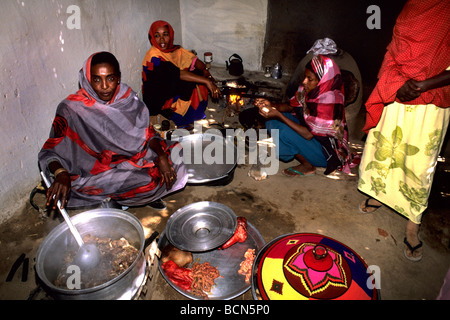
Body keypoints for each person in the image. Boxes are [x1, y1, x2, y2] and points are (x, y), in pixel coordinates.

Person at [358, 0, 450, 262]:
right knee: (384, 148)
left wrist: (423, 84)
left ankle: (413, 224)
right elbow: (397, 48)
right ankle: (378, 194)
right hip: (398, 89)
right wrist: (396, 81)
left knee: (419, 163)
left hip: (432, 95)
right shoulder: (415, 5)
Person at [38, 51, 188, 211]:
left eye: (110, 78)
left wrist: (162, 157)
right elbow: (50, 152)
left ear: (118, 77)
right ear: (87, 79)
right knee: (148, 182)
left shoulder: (126, 98)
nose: (104, 86)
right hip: (97, 173)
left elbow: (148, 134)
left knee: (179, 155)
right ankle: (118, 199)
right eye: (96, 79)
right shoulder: (72, 109)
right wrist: (61, 173)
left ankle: (119, 198)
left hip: (133, 160)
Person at [254, 54, 351, 176]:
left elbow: (308, 135)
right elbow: (291, 106)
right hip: (311, 135)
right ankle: (302, 158)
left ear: (322, 80)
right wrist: (271, 105)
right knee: (271, 122)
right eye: (305, 77)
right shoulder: (307, 90)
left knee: (282, 130)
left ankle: (307, 164)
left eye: (310, 79)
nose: (304, 82)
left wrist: (279, 115)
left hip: (326, 153)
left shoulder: (329, 100)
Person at [142, 20, 220, 128]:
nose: (162, 39)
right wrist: (207, 81)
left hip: (171, 83)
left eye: (165, 34)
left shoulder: (173, 50)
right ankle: (178, 118)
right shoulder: (153, 57)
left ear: (170, 35)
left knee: (198, 74)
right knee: (192, 80)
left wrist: (206, 71)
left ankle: (192, 114)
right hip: (158, 98)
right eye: (157, 36)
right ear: (152, 38)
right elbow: (178, 74)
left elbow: (191, 58)